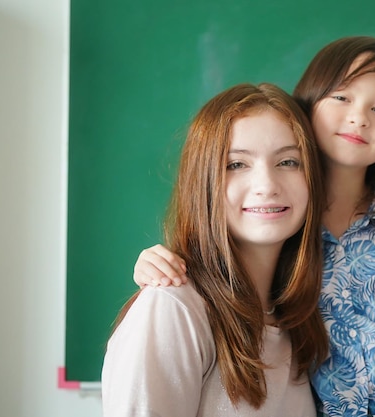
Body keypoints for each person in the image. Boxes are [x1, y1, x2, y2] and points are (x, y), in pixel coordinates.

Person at [131, 37, 375, 417]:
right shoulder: (283, 219)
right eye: (342, 98)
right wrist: (156, 261)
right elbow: (223, 257)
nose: (359, 117)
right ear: (305, 111)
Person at [101, 82, 329, 417]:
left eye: (289, 162)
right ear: (203, 182)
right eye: (236, 164)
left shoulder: (296, 318)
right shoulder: (172, 308)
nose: (267, 184)